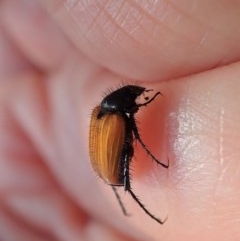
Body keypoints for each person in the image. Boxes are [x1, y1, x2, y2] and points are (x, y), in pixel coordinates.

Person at [0, 0, 240, 240]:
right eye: (133, 98)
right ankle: (131, 197)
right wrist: (146, 148)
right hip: (110, 171)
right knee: (127, 144)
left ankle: (125, 197)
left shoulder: (102, 113)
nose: (137, 99)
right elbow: (132, 135)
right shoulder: (112, 118)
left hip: (104, 174)